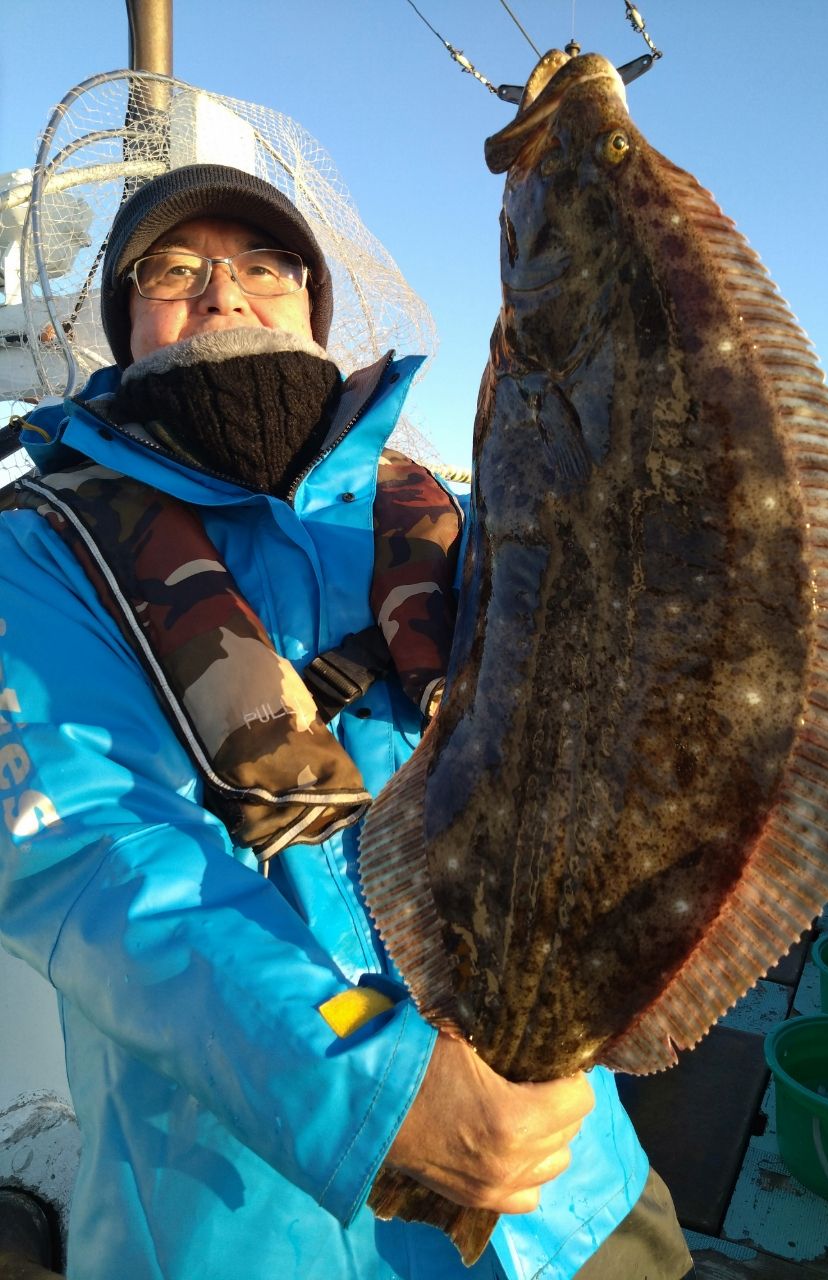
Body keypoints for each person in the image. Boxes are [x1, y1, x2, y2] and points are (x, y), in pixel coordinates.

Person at [0, 164, 694, 1280]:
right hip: (254, 1230)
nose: (225, 292)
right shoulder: (33, 557)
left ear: (313, 307)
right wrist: (371, 1077)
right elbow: (91, 854)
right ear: (125, 324)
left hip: (573, 1195)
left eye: (266, 266)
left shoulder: (458, 522)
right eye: (175, 269)